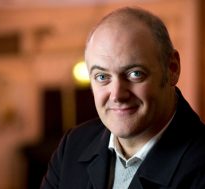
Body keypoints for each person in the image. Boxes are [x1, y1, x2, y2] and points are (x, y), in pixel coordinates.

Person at [41, 7, 205, 189]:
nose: (117, 95)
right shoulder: (72, 146)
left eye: (135, 73)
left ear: (172, 69)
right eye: (102, 77)